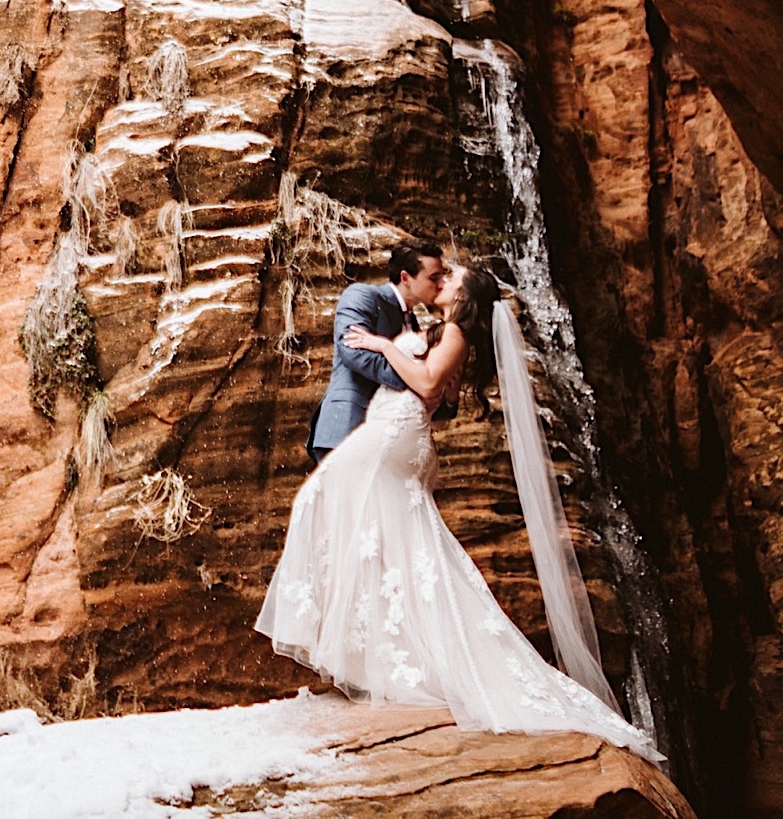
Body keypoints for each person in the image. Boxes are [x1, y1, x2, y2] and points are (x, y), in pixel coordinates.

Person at [256, 264, 660, 762]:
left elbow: (427, 385)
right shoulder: (444, 332)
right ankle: (385, 658)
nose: (442, 279)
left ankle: (396, 657)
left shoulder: (454, 332)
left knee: (322, 501)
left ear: (465, 297)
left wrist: (382, 346)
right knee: (399, 548)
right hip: (398, 435)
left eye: (451, 278)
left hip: (394, 437)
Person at [308, 241, 444, 462]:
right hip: (349, 422)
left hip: (387, 435)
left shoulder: (414, 323)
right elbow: (352, 351)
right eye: (433, 278)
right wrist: (415, 382)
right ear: (406, 278)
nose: (440, 285)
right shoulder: (363, 295)